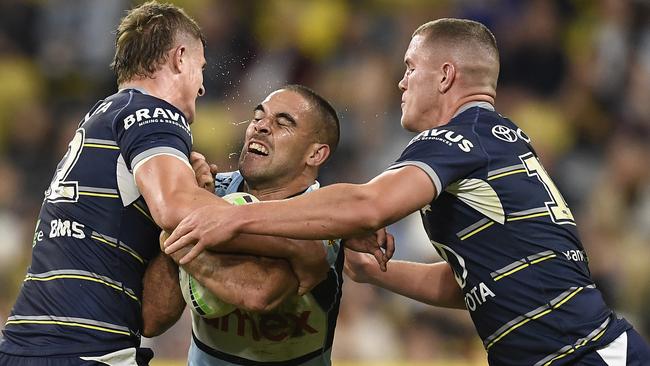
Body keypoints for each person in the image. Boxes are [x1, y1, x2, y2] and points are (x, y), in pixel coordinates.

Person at [165, 18, 650, 365]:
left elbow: (367, 204)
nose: (401, 81)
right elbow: (473, 283)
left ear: (444, 76)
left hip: (581, 354)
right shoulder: (499, 139)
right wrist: (379, 274)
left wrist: (232, 218)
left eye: (411, 67)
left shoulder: (458, 138)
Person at [0, 2, 388, 365]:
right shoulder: (154, 114)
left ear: (316, 154)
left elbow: (256, 286)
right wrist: (296, 242)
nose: (202, 87)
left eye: (283, 122)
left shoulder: (111, 111)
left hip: (42, 340)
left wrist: (189, 231)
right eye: (201, 68)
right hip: (83, 348)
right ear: (179, 59)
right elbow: (175, 216)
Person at [145, 85, 361, 365]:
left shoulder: (327, 215)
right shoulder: (208, 193)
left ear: (315, 154)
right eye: (258, 118)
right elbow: (152, 319)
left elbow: (260, 293)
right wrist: (186, 217)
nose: (261, 127)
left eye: (283, 123)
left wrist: (177, 237)